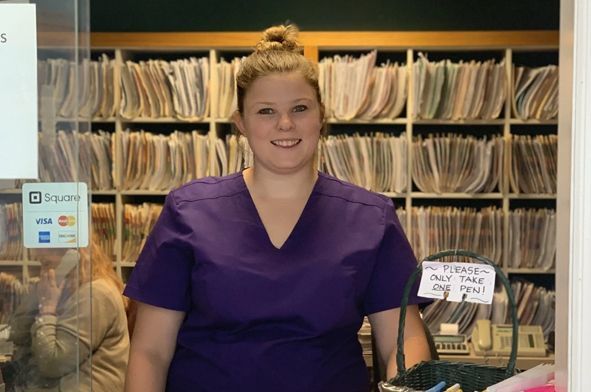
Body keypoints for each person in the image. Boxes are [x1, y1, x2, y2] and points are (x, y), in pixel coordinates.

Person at [124, 24, 430, 392]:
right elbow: (150, 351)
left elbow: (402, 341)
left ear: (321, 117)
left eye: (300, 108)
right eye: (266, 111)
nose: (285, 124)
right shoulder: (189, 211)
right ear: (241, 123)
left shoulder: (371, 217)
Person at [8, 239, 129, 391]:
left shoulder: (95, 294)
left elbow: (52, 362)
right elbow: (17, 333)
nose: (43, 273)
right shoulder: (65, 290)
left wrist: (46, 310)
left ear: (72, 257)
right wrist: (40, 293)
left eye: (46, 264)